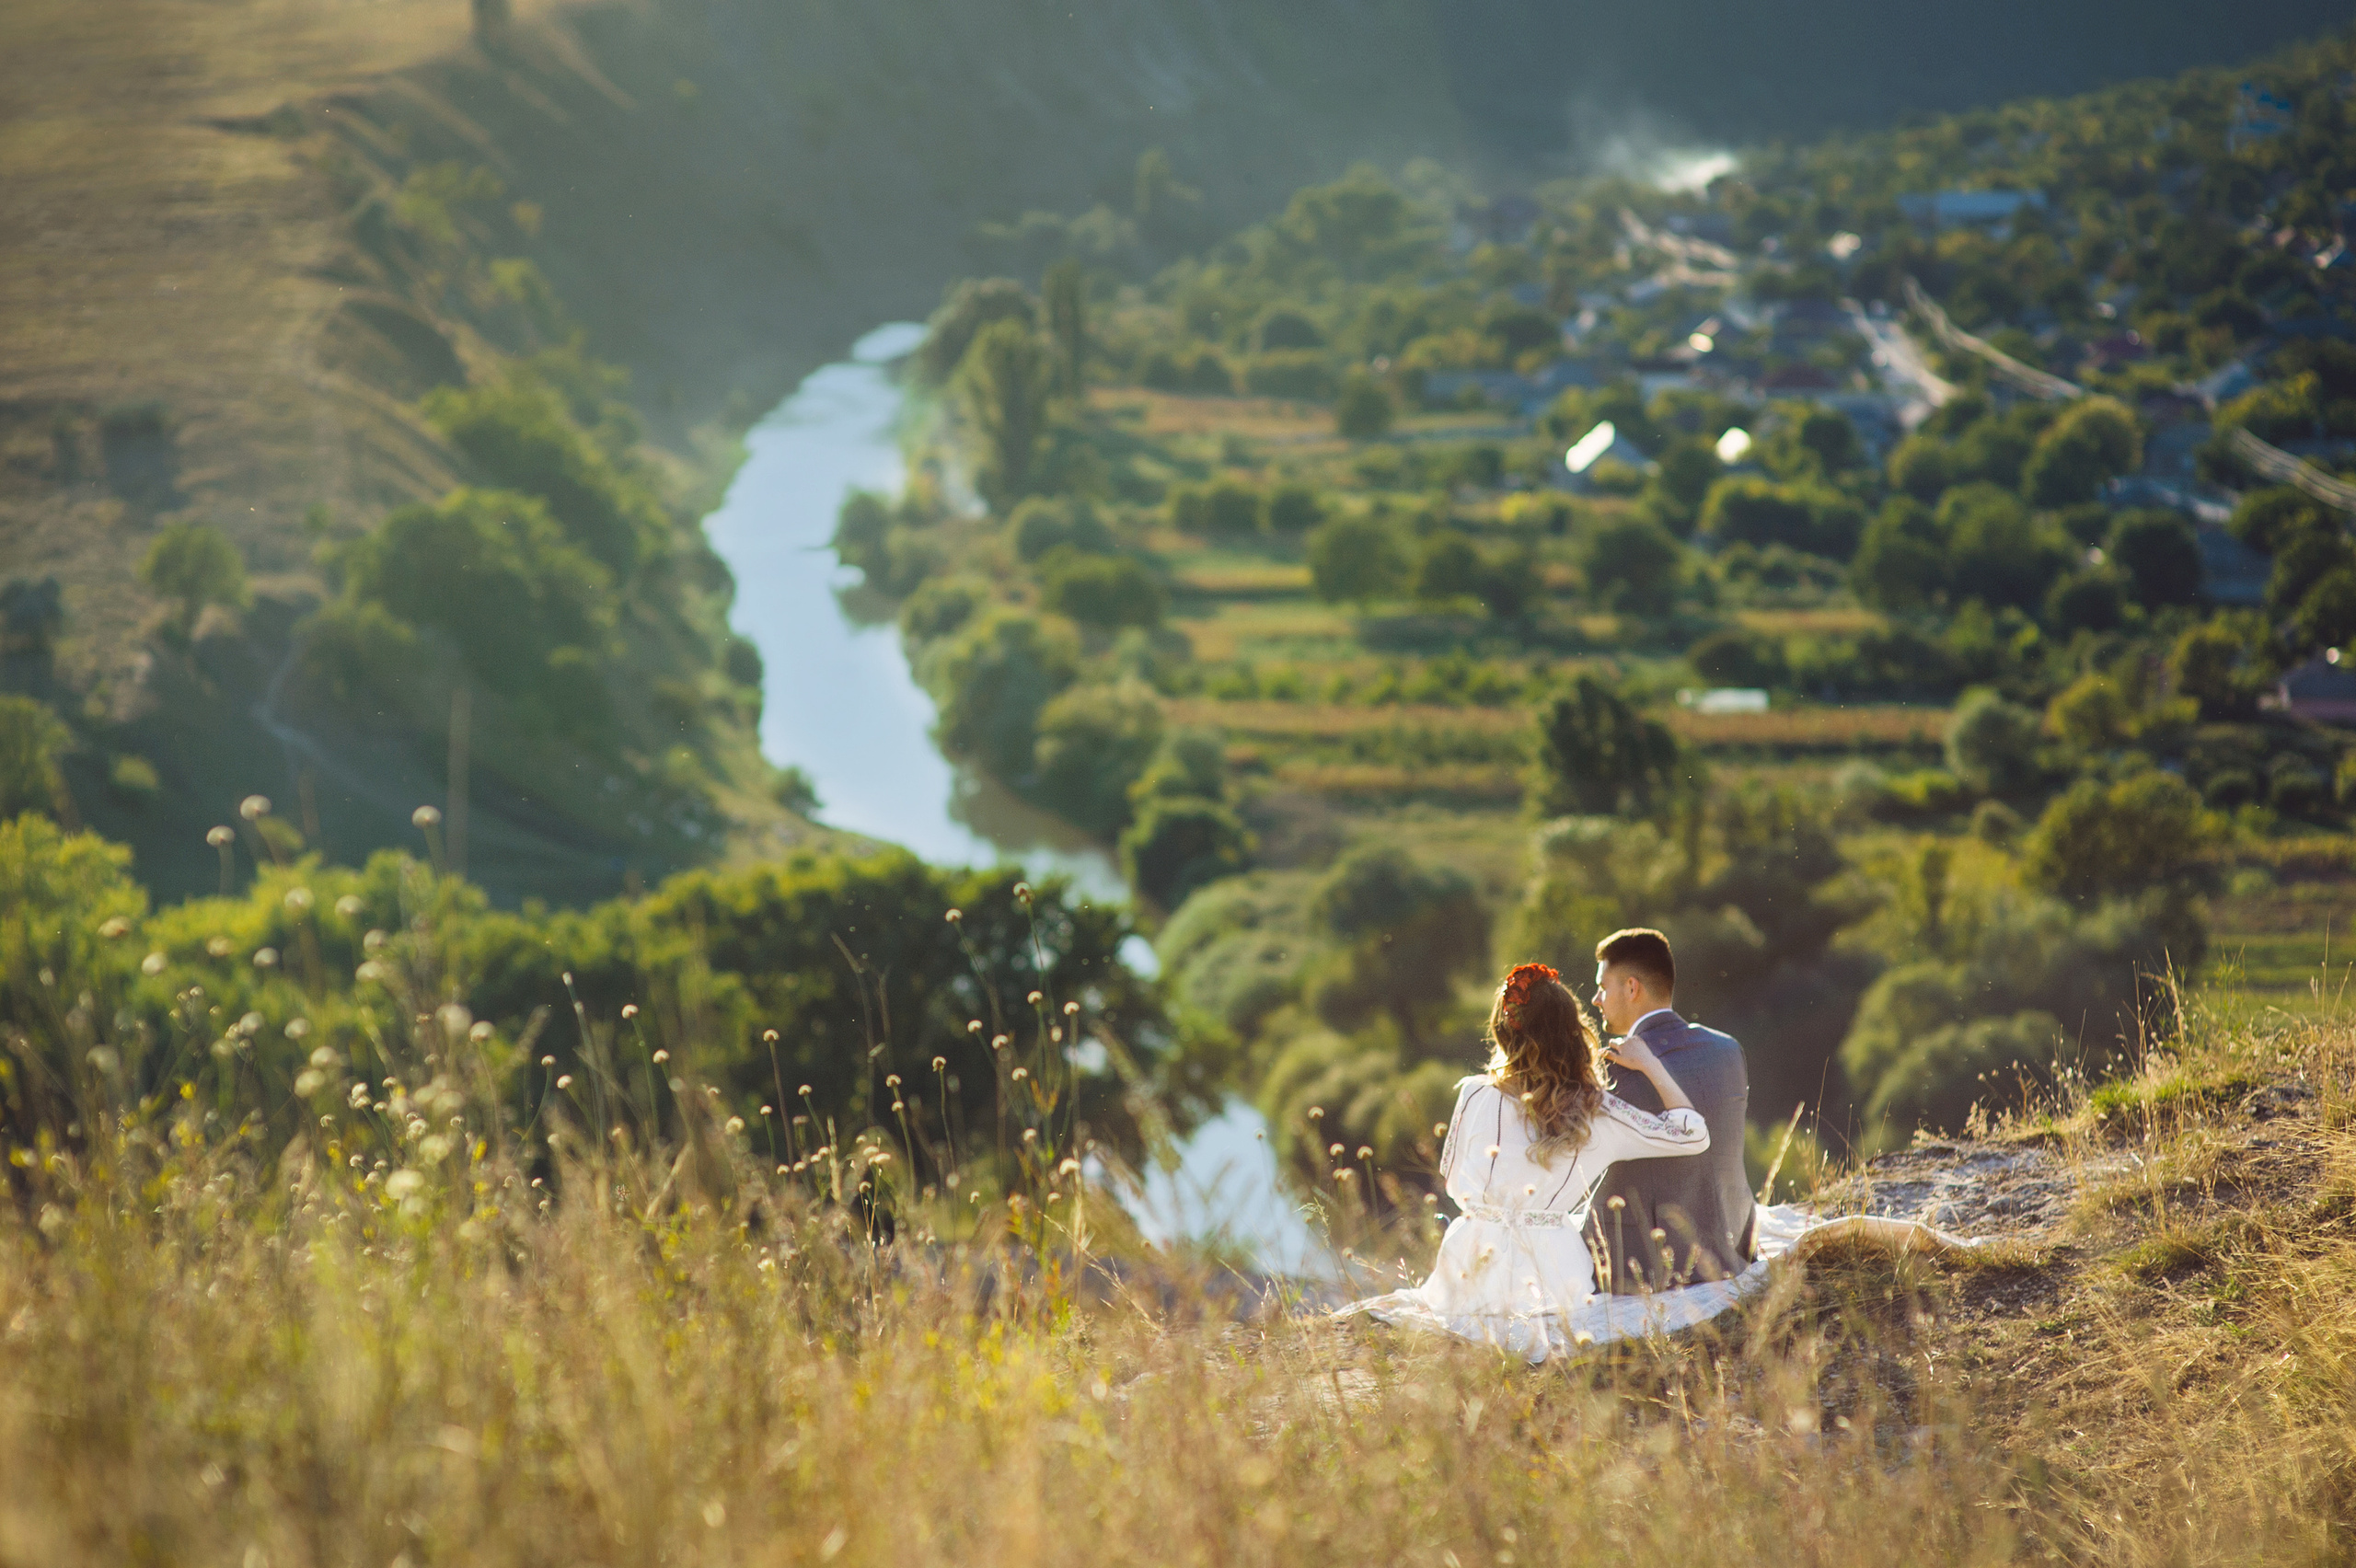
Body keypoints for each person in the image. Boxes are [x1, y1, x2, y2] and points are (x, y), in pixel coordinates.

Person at [1334, 962, 1713, 1352]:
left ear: (1503, 1031)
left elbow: (1451, 1180)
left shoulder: (1474, 1094)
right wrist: (1649, 1063)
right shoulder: (1599, 1112)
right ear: (1573, 1032)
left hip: (1467, 1268)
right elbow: (1692, 1135)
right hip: (1552, 1275)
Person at [1587, 928, 1755, 1293]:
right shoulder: (1728, 1050)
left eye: (1603, 986)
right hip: (1733, 1245)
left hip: (1652, 1263)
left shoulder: (1616, 1067)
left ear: (1632, 988)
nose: (1596, 998)